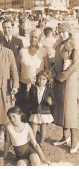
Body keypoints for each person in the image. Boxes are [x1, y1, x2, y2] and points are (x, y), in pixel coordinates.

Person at [51, 22, 79, 153]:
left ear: (69, 32)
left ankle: (74, 141)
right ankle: (65, 136)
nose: (61, 34)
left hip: (69, 80)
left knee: (70, 111)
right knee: (61, 108)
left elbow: (75, 64)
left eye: (63, 32)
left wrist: (62, 76)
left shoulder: (73, 44)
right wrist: (55, 74)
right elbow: (56, 62)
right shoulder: (59, 44)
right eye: (59, 31)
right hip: (59, 80)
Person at [16, 28, 49, 120]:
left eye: (35, 37)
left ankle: (34, 129)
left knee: (35, 109)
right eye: (31, 37)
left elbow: (47, 70)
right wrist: (16, 82)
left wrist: (41, 82)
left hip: (37, 85)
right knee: (24, 108)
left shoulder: (43, 52)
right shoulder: (22, 51)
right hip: (23, 84)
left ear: (39, 39)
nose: (33, 39)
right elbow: (17, 68)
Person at [25, 70, 55, 147]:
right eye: (40, 79)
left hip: (45, 112)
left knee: (43, 129)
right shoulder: (33, 89)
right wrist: (27, 91)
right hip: (35, 112)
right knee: (33, 129)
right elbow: (28, 99)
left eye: (44, 79)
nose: (41, 81)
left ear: (47, 81)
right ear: (37, 79)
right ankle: (33, 143)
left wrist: (50, 102)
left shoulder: (49, 90)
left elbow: (53, 101)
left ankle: (41, 143)